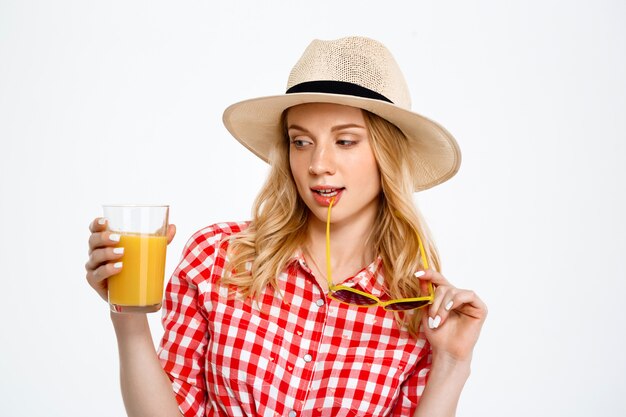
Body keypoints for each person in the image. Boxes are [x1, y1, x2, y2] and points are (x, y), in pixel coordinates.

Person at [85, 36, 487, 417]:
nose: (318, 164)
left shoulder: (417, 308)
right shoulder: (218, 257)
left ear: (387, 154)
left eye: (345, 141)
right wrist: (128, 315)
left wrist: (452, 363)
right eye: (301, 141)